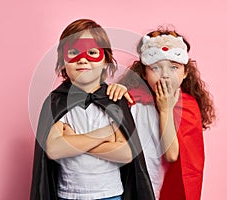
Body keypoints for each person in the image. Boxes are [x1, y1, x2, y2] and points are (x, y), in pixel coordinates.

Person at [30, 19, 155, 200]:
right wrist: (106, 134)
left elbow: (126, 154)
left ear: (106, 59)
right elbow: (54, 149)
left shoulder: (114, 99)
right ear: (63, 61)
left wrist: (71, 141)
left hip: (110, 194)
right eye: (73, 52)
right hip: (68, 195)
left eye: (92, 52)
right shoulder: (56, 102)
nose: (82, 59)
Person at [115, 26, 216, 200]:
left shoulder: (188, 106)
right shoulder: (133, 100)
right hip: (134, 186)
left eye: (174, 67)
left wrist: (165, 109)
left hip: (165, 189)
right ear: (144, 74)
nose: (165, 76)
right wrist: (113, 93)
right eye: (155, 68)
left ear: (185, 73)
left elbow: (171, 155)